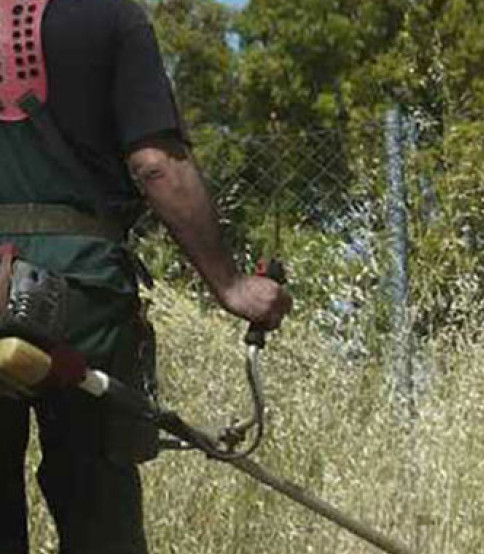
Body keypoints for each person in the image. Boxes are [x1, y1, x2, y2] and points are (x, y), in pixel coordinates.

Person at [0, 1, 292, 553]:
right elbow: (156, 163)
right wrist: (231, 285)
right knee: (98, 513)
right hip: (78, 295)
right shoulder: (108, 16)